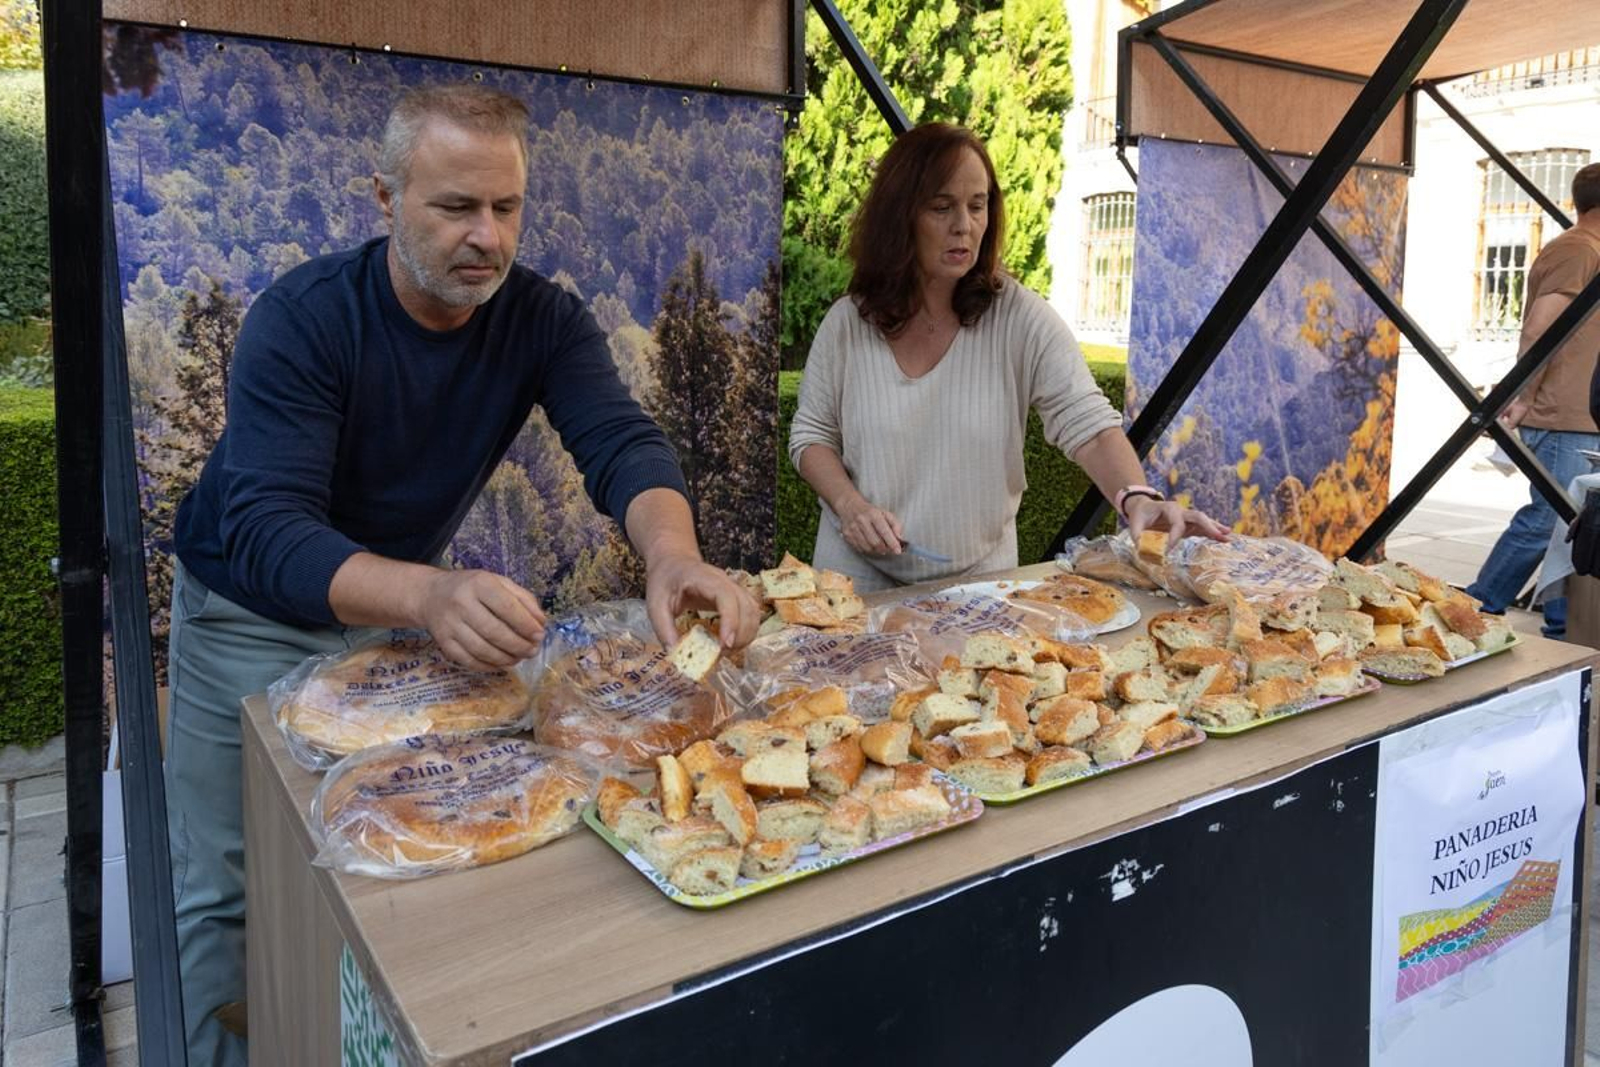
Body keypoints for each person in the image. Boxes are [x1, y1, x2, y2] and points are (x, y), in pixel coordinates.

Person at [164, 84, 759, 1064]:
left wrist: (674, 553)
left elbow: (621, 443)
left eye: (506, 207)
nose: (486, 235)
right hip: (249, 610)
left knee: (399, 853)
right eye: (455, 207)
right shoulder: (303, 319)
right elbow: (268, 528)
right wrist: (432, 595)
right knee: (227, 881)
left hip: (400, 612)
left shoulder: (542, 319)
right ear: (385, 198)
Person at [788, 122, 1227, 592]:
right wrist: (850, 505)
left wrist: (1138, 498)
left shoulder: (1021, 318)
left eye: (978, 206)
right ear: (900, 217)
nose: (965, 225)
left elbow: (1090, 427)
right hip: (851, 579)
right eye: (942, 207)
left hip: (981, 584)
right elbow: (811, 435)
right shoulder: (848, 322)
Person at [1466, 162, 1600, 638]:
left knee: (1573, 529)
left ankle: (1563, 627)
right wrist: (1522, 397)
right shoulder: (1578, 251)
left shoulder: (1586, 250)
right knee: (1550, 520)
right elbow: (1541, 329)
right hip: (1564, 414)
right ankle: (1479, 605)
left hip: (1578, 414)